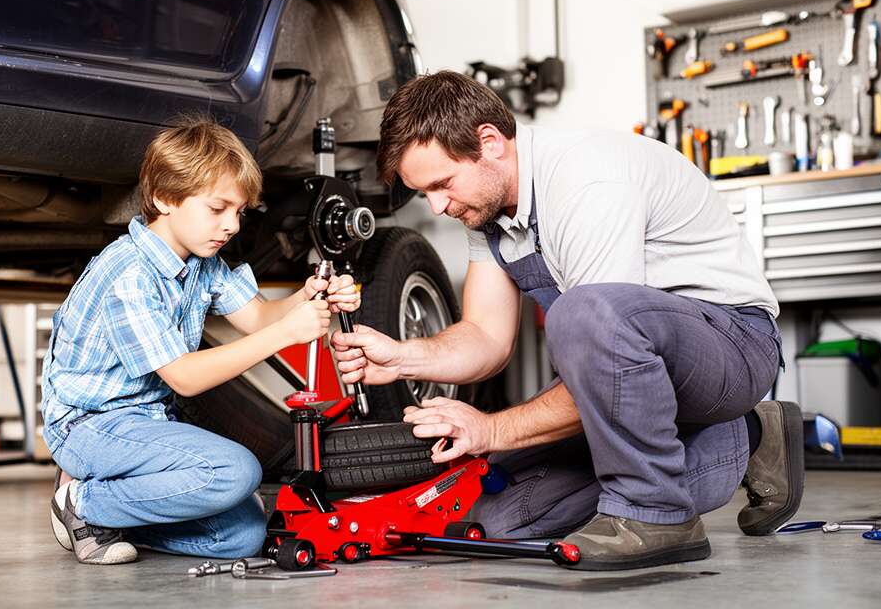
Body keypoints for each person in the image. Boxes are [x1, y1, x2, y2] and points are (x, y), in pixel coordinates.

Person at [332, 71, 801, 571]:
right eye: (425, 192)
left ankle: (664, 507)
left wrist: (491, 429)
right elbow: (486, 336)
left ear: (488, 142)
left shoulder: (585, 180)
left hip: (730, 347)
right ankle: (747, 439)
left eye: (442, 184)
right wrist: (404, 358)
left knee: (584, 313)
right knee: (494, 519)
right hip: (632, 376)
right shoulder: (488, 209)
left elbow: (600, 334)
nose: (438, 206)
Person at [40, 117, 360, 564]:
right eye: (217, 209)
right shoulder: (128, 274)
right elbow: (186, 378)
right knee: (235, 471)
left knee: (242, 534)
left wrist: (306, 297)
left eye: (239, 213)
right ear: (163, 199)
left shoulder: (202, 260)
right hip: (90, 427)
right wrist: (286, 334)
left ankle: (113, 519)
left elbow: (256, 318)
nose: (230, 225)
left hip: (149, 423)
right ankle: (82, 505)